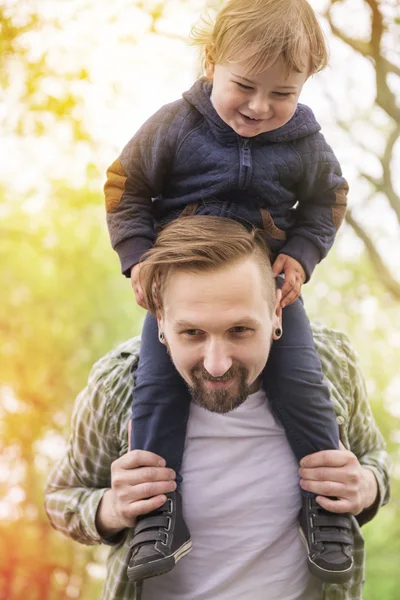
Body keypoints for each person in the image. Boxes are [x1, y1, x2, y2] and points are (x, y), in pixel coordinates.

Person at [104, 0, 351, 584]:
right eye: (244, 85)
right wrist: (137, 255)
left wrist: (302, 256)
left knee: (304, 385)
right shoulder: (176, 125)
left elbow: (327, 203)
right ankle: (158, 515)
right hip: (184, 288)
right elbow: (125, 187)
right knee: (157, 391)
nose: (261, 107)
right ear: (212, 61)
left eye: (283, 94)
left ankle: (326, 508)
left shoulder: (304, 141)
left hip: (264, 294)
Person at [45, 216, 390, 600]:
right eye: (192, 332)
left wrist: (367, 486)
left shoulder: (333, 367)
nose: (216, 364)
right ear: (161, 321)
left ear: (277, 313)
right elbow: (61, 497)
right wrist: (112, 507)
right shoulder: (117, 386)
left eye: (240, 331)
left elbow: (377, 459)